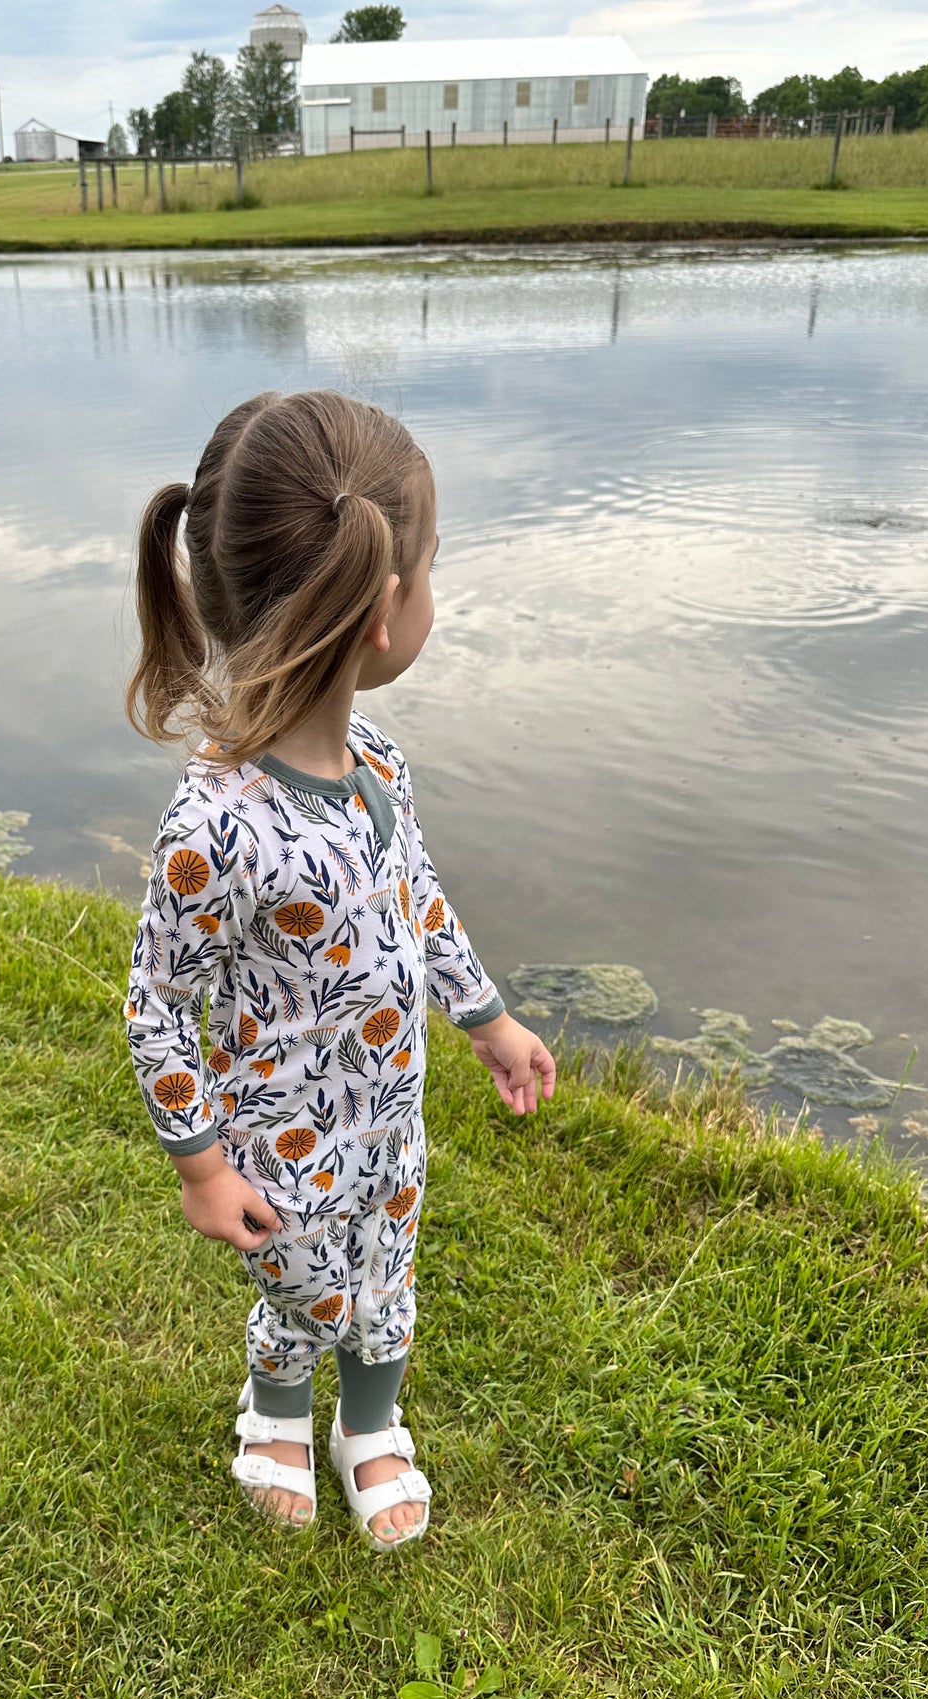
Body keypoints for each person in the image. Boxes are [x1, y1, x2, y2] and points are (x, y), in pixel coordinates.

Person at [124, 391, 555, 1548]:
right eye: (430, 570)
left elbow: (413, 898)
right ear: (381, 610)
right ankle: (275, 1407)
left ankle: (370, 1423)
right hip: (285, 1138)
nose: (435, 594)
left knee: (387, 1283)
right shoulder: (215, 826)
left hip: (391, 1120)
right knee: (303, 1294)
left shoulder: (377, 763)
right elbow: (157, 1011)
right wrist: (203, 1169)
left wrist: (487, 1019)